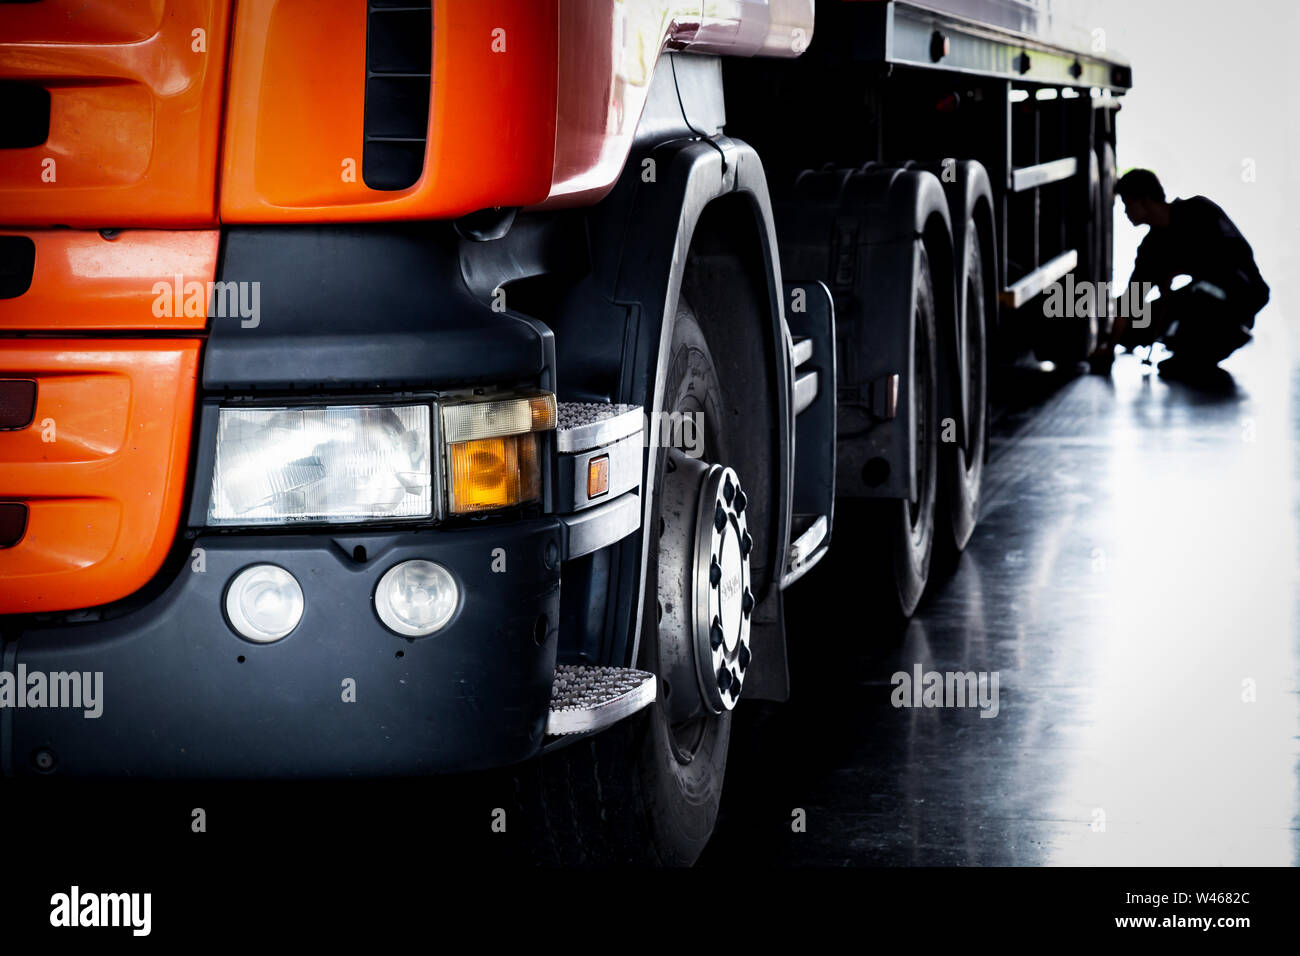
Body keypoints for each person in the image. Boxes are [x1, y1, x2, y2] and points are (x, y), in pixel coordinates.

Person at [1092, 169, 1269, 380]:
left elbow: (1238, 253)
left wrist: (1178, 270)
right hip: (1199, 296)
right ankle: (1188, 347)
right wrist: (1109, 348)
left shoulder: (1199, 210)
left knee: (1198, 298)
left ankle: (1220, 337)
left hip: (1243, 291)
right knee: (1137, 326)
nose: (1125, 212)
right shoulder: (1151, 249)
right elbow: (1131, 302)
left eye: (1128, 204)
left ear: (1146, 201)